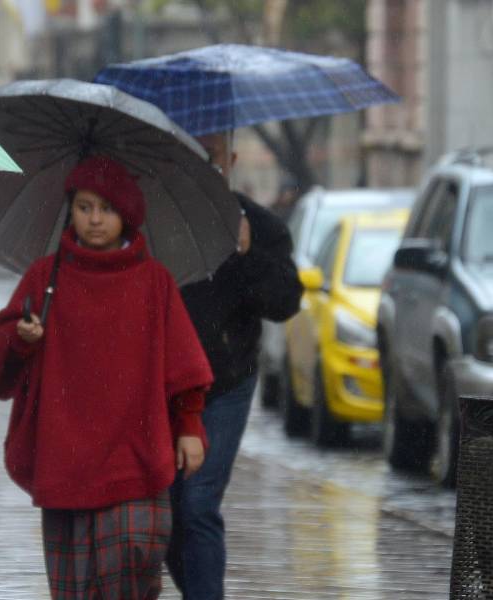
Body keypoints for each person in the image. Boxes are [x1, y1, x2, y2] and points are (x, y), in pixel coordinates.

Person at [0, 156, 214, 599]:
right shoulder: (44, 277)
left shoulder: (154, 281)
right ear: (71, 208)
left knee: (133, 569)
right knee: (74, 588)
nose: (94, 219)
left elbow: (183, 368)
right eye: (85, 206)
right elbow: (2, 356)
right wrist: (22, 337)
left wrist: (189, 428)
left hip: (136, 456)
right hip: (65, 459)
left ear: (125, 216)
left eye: (106, 209)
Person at [166, 132, 304, 600]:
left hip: (225, 383)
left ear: (231, 160)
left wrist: (246, 252)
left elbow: (285, 301)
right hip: (161, 384)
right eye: (191, 157)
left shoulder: (258, 225)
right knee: (166, 511)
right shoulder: (152, 219)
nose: (203, 167)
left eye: (212, 157)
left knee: (198, 502)